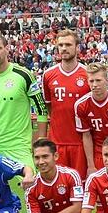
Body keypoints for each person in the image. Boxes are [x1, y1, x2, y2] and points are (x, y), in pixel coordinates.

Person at [0, 33, 48, 167]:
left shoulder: (23, 75)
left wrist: (41, 140)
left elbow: (41, 109)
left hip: (19, 146)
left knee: (27, 186)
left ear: (7, 49)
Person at [41, 30, 91, 177]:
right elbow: (50, 107)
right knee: (59, 189)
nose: (64, 48)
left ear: (77, 48)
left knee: (81, 189)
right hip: (57, 142)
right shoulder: (48, 75)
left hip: (82, 143)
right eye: (60, 45)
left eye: (68, 44)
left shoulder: (87, 74)